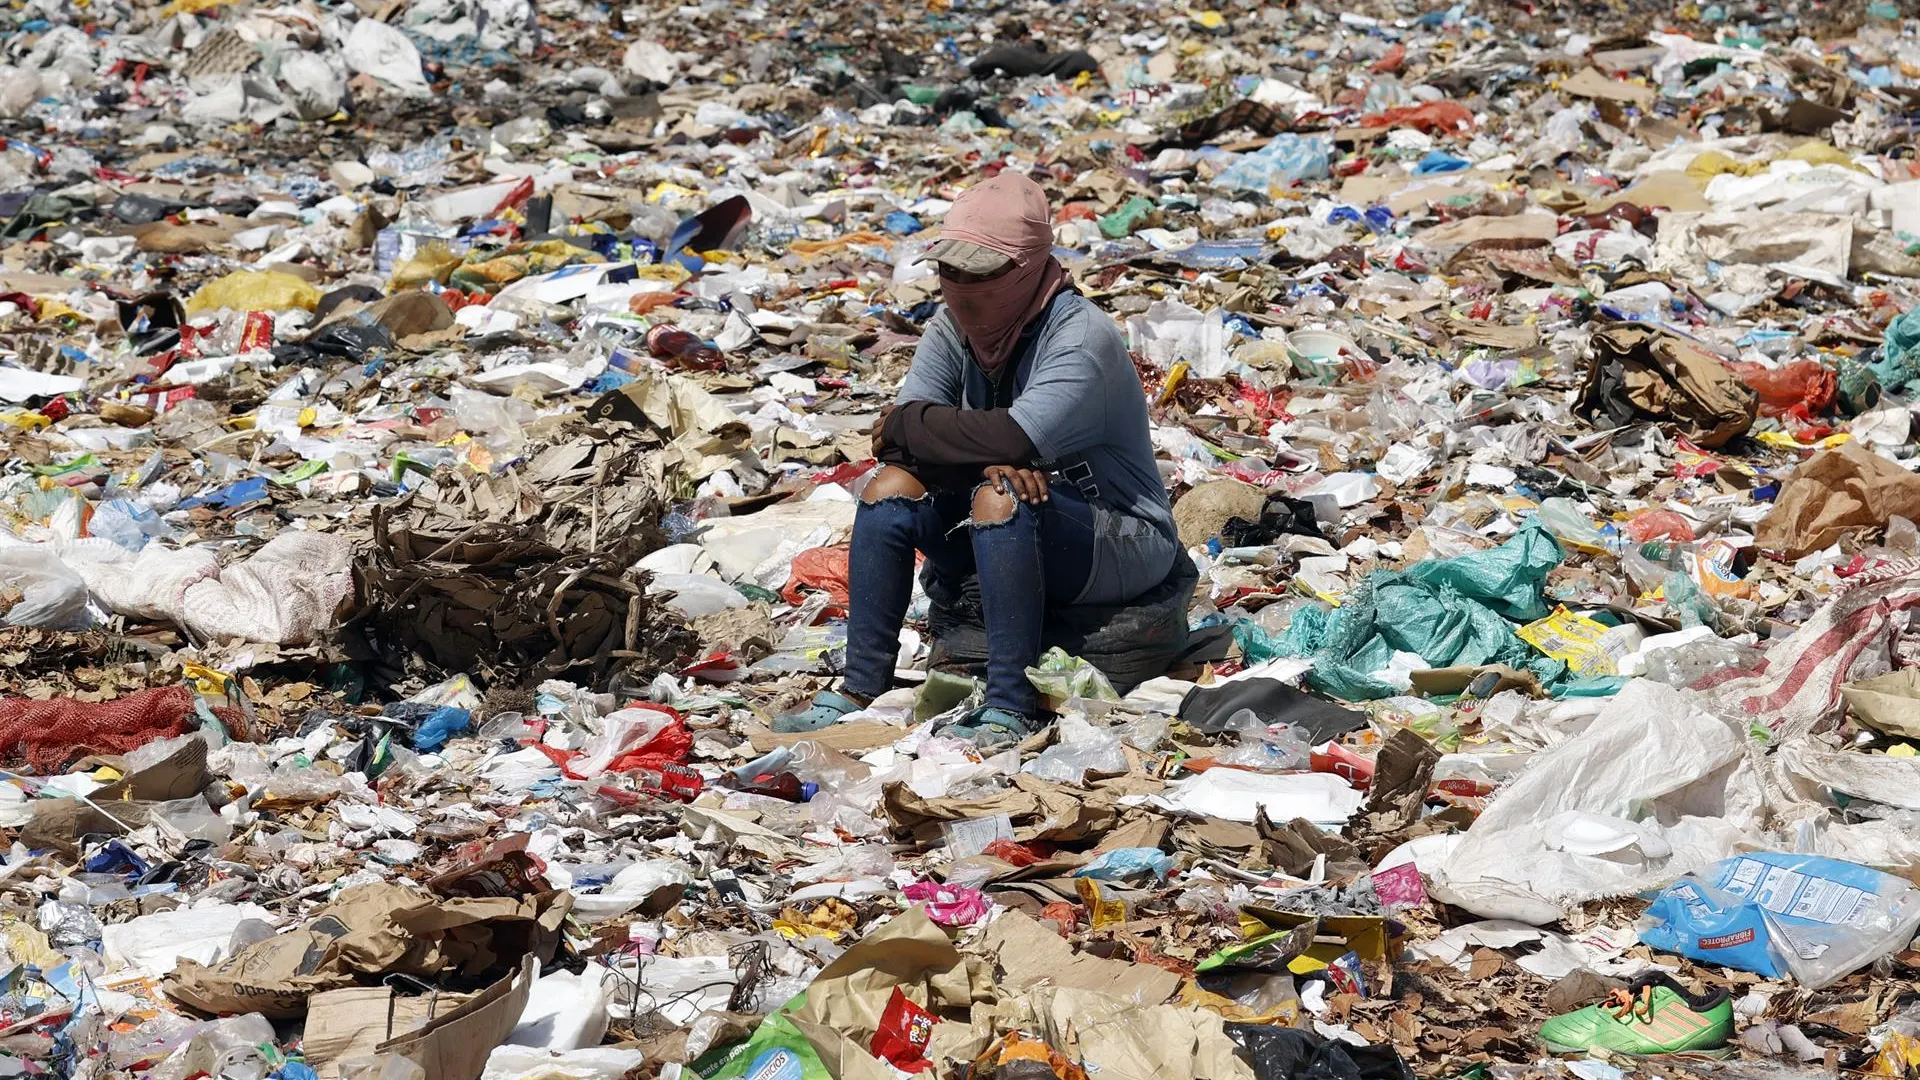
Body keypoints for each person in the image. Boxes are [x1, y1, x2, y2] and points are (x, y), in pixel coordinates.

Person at [773, 172, 1180, 746]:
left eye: (981, 273)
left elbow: (1003, 436)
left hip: (1119, 535)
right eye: (950, 271)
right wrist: (954, 440)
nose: (961, 288)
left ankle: (1010, 706)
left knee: (1001, 495)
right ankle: (860, 685)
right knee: (889, 488)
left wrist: (931, 431)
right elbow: (897, 443)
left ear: (1030, 267)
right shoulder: (951, 327)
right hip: (1010, 511)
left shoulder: (1080, 336)